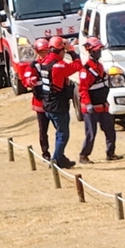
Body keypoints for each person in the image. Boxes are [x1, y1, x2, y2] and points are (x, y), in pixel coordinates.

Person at [40, 36, 83, 169]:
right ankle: (55, 160)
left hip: (48, 104)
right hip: (58, 105)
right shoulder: (58, 65)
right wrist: (72, 51)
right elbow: (78, 65)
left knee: (59, 133)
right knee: (63, 134)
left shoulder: (44, 62)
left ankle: (61, 158)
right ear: (60, 50)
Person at [79, 37, 121, 163]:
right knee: (91, 133)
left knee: (110, 130)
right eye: (97, 50)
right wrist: (88, 104)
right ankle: (83, 156)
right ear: (91, 51)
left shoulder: (100, 66)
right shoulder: (85, 70)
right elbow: (83, 89)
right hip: (91, 108)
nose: (100, 52)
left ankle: (110, 153)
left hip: (103, 105)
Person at [21, 38, 53, 160]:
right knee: (43, 130)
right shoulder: (33, 66)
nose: (44, 54)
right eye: (41, 52)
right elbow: (25, 79)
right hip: (40, 102)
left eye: (46, 51)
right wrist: (30, 81)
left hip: (53, 101)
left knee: (59, 129)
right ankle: (45, 153)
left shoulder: (53, 63)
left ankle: (59, 153)